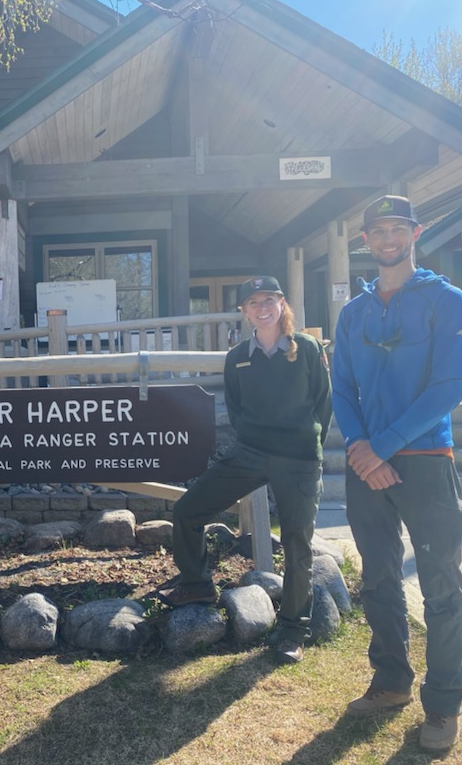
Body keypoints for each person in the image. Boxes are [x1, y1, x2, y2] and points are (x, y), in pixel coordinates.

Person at [331, 195, 462, 752]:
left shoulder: (446, 300)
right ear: (365, 240)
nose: (388, 238)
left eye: (397, 228)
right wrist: (362, 447)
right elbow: (342, 387)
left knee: (441, 586)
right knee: (380, 580)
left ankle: (443, 704)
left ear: (415, 232)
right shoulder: (353, 313)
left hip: (427, 461)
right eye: (377, 231)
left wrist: (380, 447)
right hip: (366, 464)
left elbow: (447, 389)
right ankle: (391, 682)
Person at [160, 276, 332, 665]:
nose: (262, 307)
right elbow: (236, 409)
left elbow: (324, 403)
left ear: (282, 304)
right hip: (251, 453)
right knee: (188, 510)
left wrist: (307, 443)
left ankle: (291, 631)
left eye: (269, 300)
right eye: (253, 302)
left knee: (296, 544)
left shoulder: (305, 348)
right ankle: (197, 585)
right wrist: (255, 440)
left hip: (299, 459)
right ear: (244, 311)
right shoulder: (237, 355)